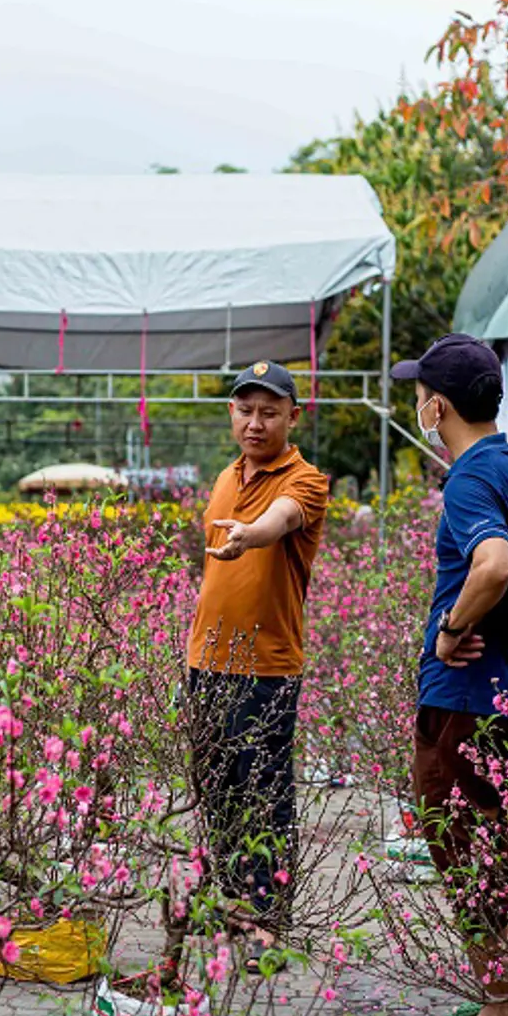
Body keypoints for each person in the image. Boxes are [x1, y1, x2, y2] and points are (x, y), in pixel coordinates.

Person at [390, 334, 508, 1016]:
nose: (416, 404)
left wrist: (454, 627)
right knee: (490, 839)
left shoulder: (468, 478)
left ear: (436, 408)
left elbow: (494, 562)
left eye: (417, 394)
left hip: (464, 692)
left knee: (458, 842)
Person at [186, 360, 329, 975]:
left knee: (265, 793)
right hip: (205, 660)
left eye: (270, 411)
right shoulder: (225, 475)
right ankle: (228, 904)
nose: (255, 422)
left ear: (292, 418)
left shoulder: (305, 481)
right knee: (215, 788)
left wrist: (253, 532)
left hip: (266, 668)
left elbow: (284, 520)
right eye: (245, 410)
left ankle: (268, 918)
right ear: (231, 414)